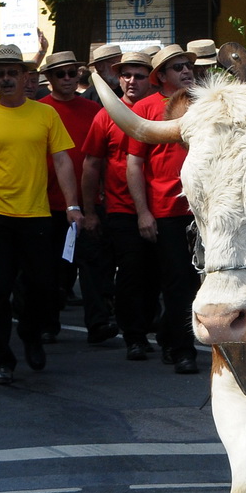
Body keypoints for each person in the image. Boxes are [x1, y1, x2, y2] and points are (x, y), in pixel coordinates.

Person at [0, 44, 82, 384]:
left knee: (41, 285)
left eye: (13, 73)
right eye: (1, 74)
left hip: (35, 213)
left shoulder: (45, 114)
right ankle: (0, 360)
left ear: (26, 78)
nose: (7, 79)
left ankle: (30, 332)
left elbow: (63, 160)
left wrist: (72, 205)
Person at [82, 50, 160, 362]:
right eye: (126, 75)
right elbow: (91, 165)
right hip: (122, 209)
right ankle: (134, 337)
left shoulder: (161, 110)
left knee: (156, 275)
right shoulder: (106, 114)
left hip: (163, 209)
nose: (130, 81)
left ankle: (151, 327)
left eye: (139, 76)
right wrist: (89, 210)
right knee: (130, 274)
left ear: (151, 80)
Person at [127, 45, 200, 374]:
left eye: (187, 65)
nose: (186, 71)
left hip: (203, 208)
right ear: (160, 77)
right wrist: (143, 212)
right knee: (177, 281)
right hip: (167, 210)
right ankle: (184, 350)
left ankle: (172, 336)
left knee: (201, 279)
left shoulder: (202, 102)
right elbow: (134, 164)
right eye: (177, 67)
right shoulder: (144, 108)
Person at [39, 48, 111, 345]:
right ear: (50, 78)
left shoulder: (93, 110)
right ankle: (47, 323)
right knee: (52, 269)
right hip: (48, 204)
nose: (67, 78)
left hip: (88, 202)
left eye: (72, 73)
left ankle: (98, 325)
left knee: (93, 267)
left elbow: (102, 155)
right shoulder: (40, 110)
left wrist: (99, 194)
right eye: (61, 74)